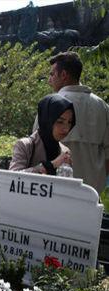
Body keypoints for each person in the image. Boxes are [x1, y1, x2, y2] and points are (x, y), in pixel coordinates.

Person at [46, 51, 109, 194]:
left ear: (63, 75)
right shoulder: (102, 106)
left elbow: (37, 148)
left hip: (57, 190)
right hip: (93, 193)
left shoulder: (50, 104)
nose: (49, 80)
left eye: (52, 74)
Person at [10, 94, 75, 174]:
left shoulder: (64, 151)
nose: (66, 128)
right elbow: (13, 177)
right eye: (60, 122)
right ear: (47, 121)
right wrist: (50, 165)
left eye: (69, 122)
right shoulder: (25, 145)